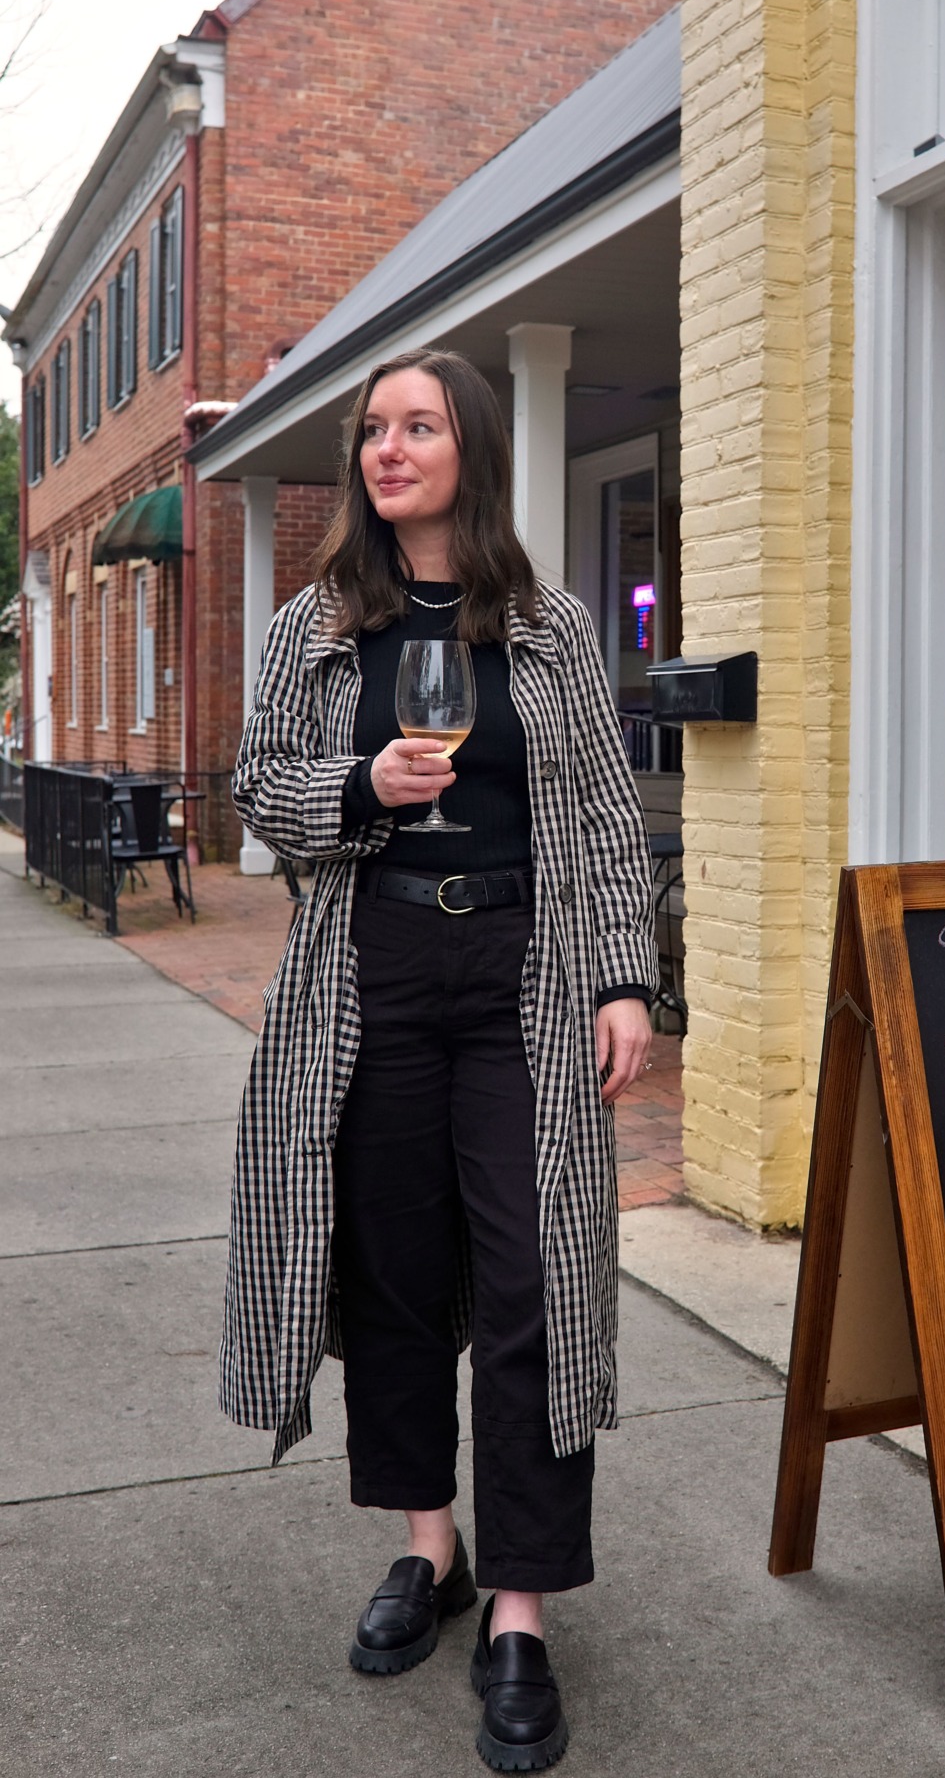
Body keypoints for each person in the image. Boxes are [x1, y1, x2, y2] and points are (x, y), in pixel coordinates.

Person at [222, 348, 657, 1771]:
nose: (387, 448)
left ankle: (521, 1613)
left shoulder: (548, 627)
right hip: (374, 970)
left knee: (533, 1281)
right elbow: (262, 794)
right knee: (392, 1273)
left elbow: (598, 811)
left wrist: (621, 979)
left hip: (521, 976)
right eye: (371, 430)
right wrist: (362, 786)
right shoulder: (312, 625)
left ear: (467, 445)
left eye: (416, 426)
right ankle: (433, 1547)